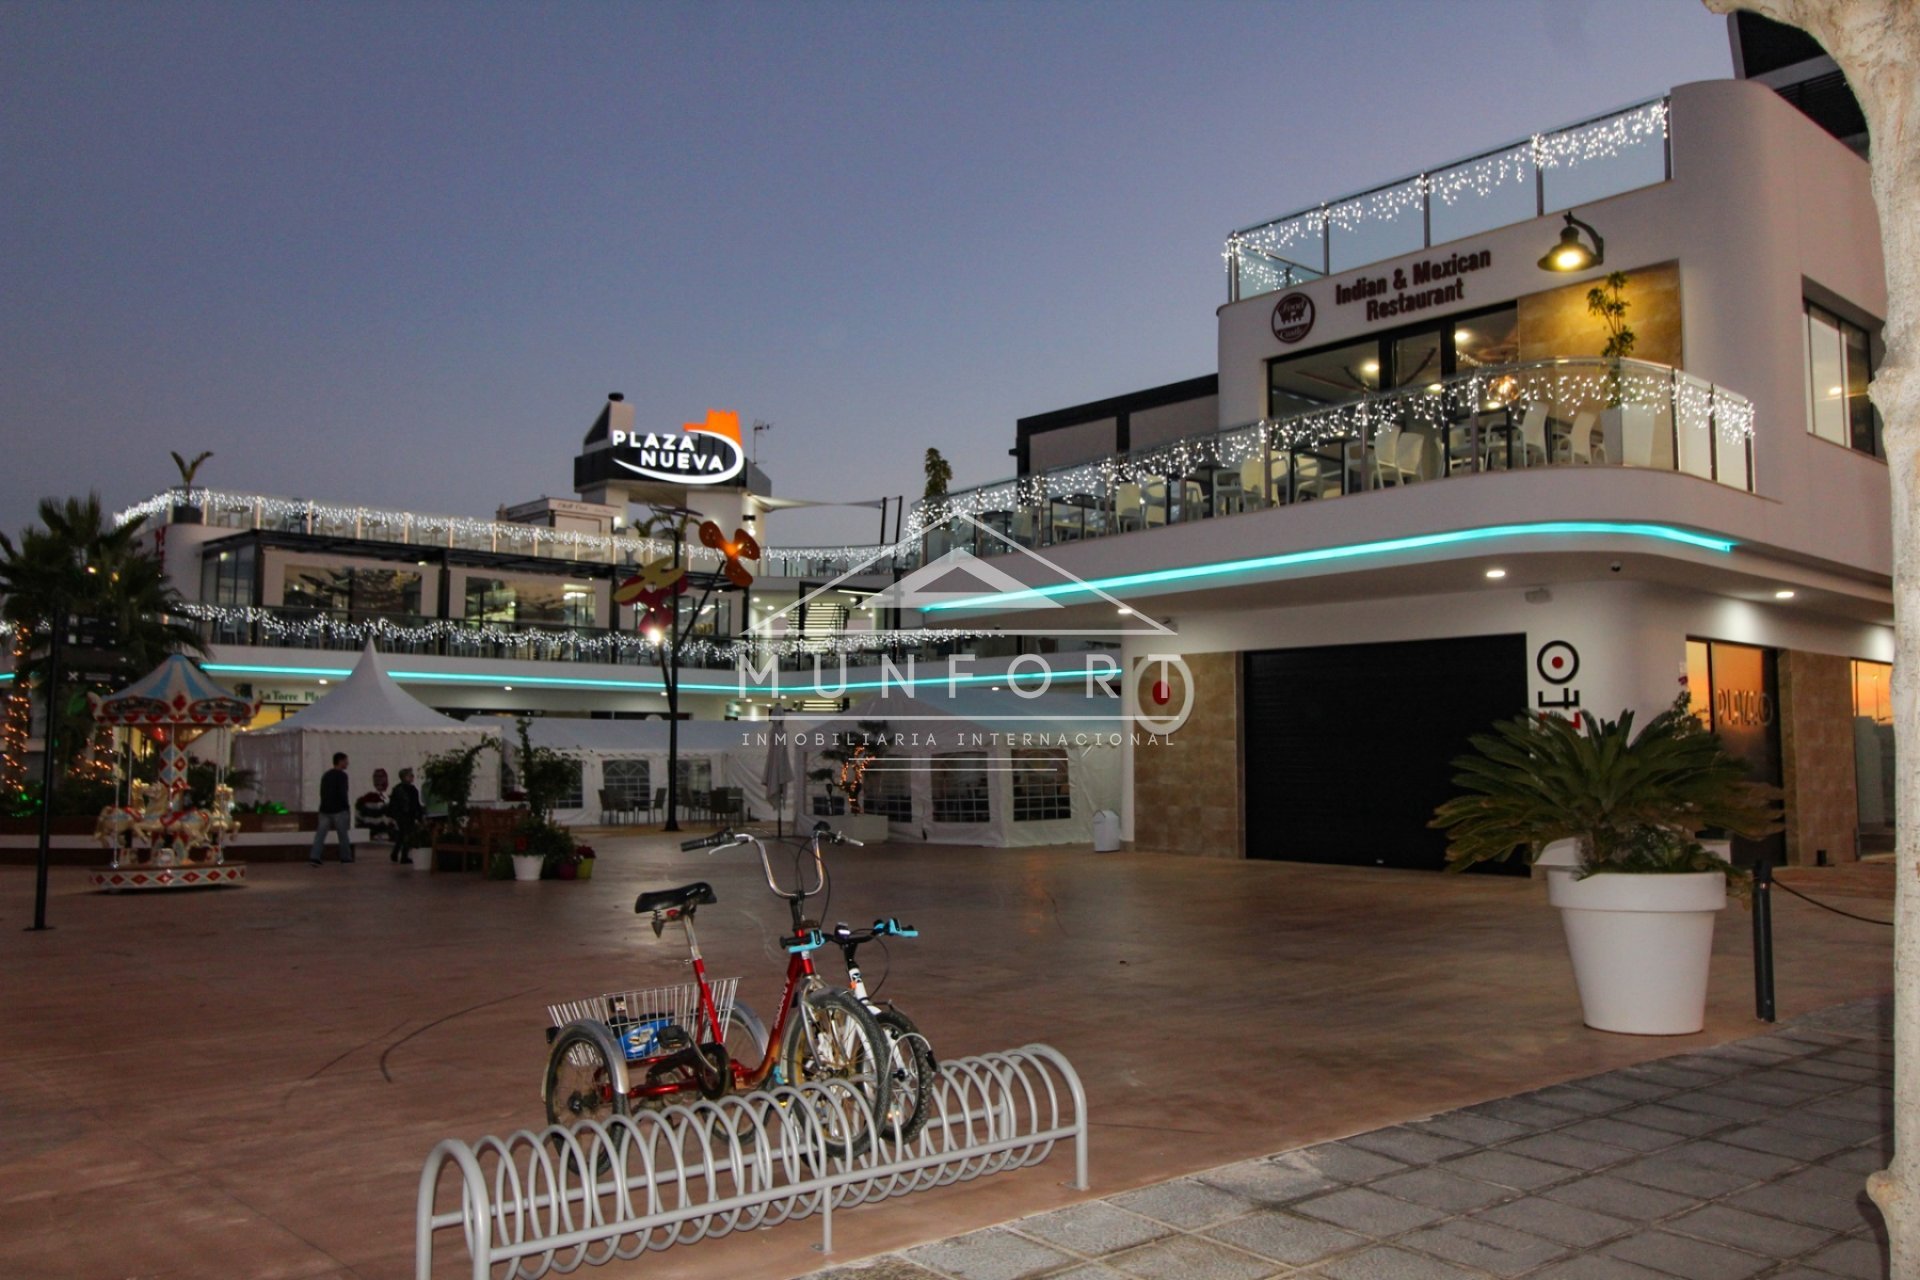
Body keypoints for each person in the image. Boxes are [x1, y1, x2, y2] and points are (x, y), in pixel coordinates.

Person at [309, 752, 354, 866]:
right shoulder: (342, 776)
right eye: (345, 761)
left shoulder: (326, 775)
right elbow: (343, 793)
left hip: (325, 809)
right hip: (339, 810)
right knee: (343, 835)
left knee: (320, 835)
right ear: (340, 761)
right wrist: (346, 808)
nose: (347, 763)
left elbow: (322, 792)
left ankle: (315, 856)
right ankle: (345, 857)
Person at [388, 767, 425, 863]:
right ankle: (404, 856)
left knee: (402, 834)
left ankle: (395, 853)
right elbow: (415, 804)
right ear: (404, 777)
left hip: (403, 815)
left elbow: (393, 804)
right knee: (407, 835)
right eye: (410, 775)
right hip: (406, 815)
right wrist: (419, 816)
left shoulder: (398, 789)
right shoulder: (411, 789)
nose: (412, 777)